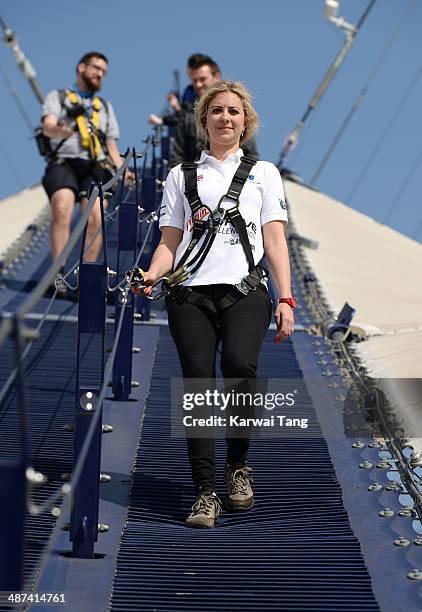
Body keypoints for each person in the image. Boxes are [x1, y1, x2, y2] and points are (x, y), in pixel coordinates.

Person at [135, 80, 295, 528]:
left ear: (246, 122)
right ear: (203, 120)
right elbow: (170, 241)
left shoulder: (265, 174)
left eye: (234, 111)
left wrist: (285, 298)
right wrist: (151, 275)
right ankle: (205, 492)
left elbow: (275, 240)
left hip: (245, 289)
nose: (226, 118)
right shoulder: (180, 176)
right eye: (217, 111)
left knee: (242, 369)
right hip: (190, 293)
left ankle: (237, 464)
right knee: (198, 385)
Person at [41, 51, 132, 266]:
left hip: (95, 166)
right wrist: (59, 130)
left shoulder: (105, 108)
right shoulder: (58, 97)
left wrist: (123, 170)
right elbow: (48, 126)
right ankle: (59, 274)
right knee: (62, 207)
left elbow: (111, 145)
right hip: (65, 162)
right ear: (82, 67)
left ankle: (87, 278)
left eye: (103, 72)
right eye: (96, 68)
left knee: (96, 216)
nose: (100, 74)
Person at [170, 60, 259, 166]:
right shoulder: (186, 118)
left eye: (203, 79)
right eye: (216, 111)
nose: (198, 85)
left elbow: (252, 155)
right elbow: (177, 157)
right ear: (204, 121)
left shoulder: (264, 171)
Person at [148, 53, 214, 128]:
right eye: (195, 79)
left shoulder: (216, 97)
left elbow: (194, 121)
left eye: (202, 79)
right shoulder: (191, 92)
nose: (198, 84)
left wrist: (176, 109)